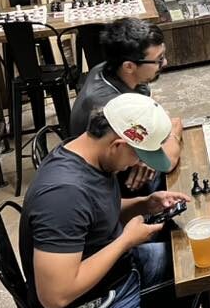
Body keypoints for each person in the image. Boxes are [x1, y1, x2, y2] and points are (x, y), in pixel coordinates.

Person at [19, 93, 194, 308]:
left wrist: (143, 204)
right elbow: (56, 295)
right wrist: (126, 241)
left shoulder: (87, 154)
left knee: (196, 268)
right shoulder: (62, 194)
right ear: (118, 144)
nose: (137, 164)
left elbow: (96, 215)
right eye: (138, 155)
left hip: (117, 273)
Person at [70, 18, 183, 195]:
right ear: (129, 66)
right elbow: (169, 159)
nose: (165, 63)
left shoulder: (109, 70)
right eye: (158, 60)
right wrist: (173, 135)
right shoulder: (110, 107)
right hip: (106, 190)